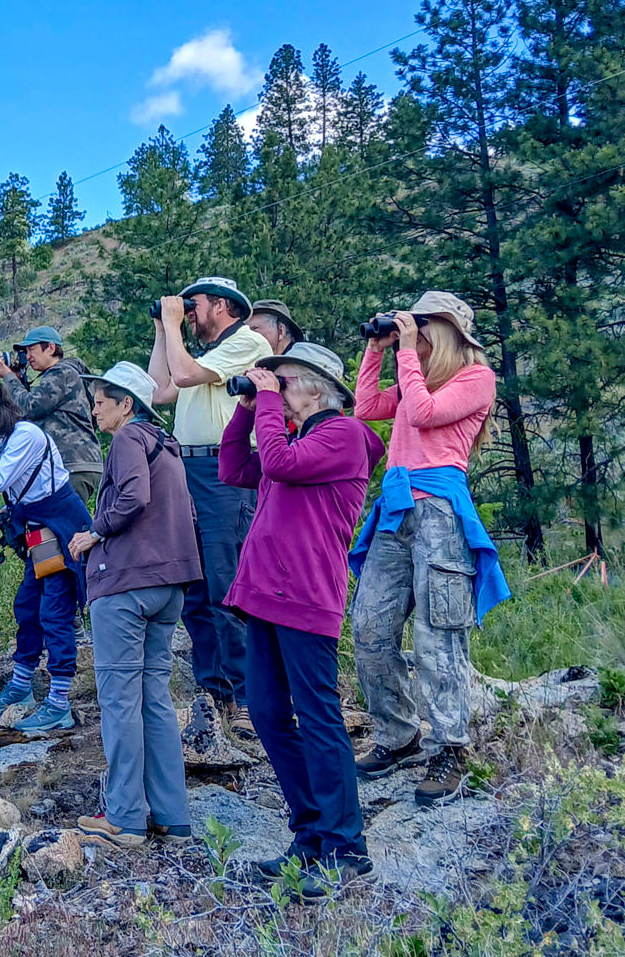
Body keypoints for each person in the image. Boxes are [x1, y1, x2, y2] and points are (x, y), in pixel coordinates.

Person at [219, 344, 386, 892]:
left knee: (317, 716)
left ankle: (346, 846)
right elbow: (233, 466)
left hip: (307, 593)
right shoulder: (293, 439)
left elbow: (277, 464)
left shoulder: (344, 435)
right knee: (268, 714)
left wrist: (266, 401)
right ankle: (311, 834)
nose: (277, 388)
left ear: (320, 388)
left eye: (285, 380)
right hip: (267, 593)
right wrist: (247, 407)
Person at [350, 293, 510, 807]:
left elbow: (421, 414)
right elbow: (366, 408)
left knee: (437, 635)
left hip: (440, 508)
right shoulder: (414, 375)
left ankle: (450, 748)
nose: (412, 331)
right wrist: (376, 350)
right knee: (369, 627)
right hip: (396, 507)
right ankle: (397, 735)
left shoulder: (475, 378)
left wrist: (405, 352)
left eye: (421, 324)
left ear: (446, 331)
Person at [64, 362, 200, 850]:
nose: (94, 410)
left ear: (127, 404)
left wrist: (94, 532)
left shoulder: (127, 439)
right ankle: (172, 816)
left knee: (119, 700)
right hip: (170, 585)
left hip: (125, 586)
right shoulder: (167, 445)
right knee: (154, 699)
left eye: (101, 401)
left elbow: (133, 496)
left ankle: (124, 818)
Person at [148, 275, 272, 739]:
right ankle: (214, 691)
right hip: (188, 470)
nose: (187, 310)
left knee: (226, 585)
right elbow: (158, 390)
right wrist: (163, 330)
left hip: (225, 474)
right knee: (194, 591)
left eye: (193, 303)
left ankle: (247, 697)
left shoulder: (247, 342)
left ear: (222, 305)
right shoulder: (202, 355)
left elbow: (182, 377)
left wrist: (174, 326)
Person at [0, 379, 93, 733]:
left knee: (55, 613)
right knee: (28, 607)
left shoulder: (26, 435)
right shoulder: (8, 439)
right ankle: (20, 687)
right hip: (39, 531)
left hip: (60, 529)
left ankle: (58, 703)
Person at [0, 326, 103, 506]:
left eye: (31, 350)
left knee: (61, 520)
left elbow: (30, 407)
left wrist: (9, 378)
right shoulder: (66, 374)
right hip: (76, 462)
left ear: (50, 348)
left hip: (71, 462)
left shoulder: (62, 372)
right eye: (25, 352)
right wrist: (18, 380)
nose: (28, 356)